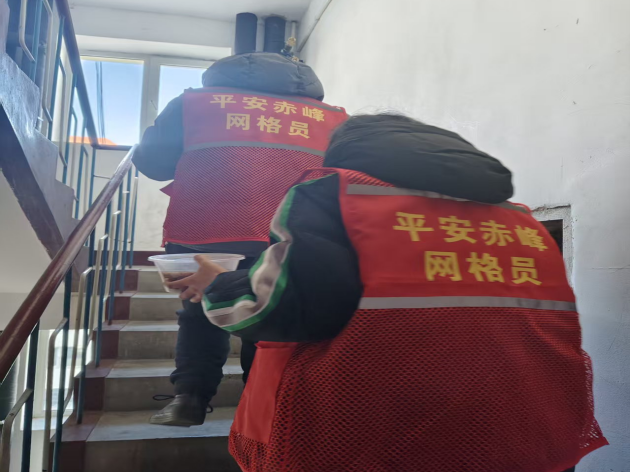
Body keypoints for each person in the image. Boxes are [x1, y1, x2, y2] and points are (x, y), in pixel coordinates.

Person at [168, 113, 607, 472]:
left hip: (372, 438)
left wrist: (216, 285)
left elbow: (283, 307)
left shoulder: (337, 193)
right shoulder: (519, 220)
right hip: (524, 433)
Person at [132, 52, 347, 426]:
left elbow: (152, 163)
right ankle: (262, 409)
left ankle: (189, 399)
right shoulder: (332, 118)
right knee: (269, 318)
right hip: (291, 231)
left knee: (200, 311)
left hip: (205, 229)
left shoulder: (194, 103)